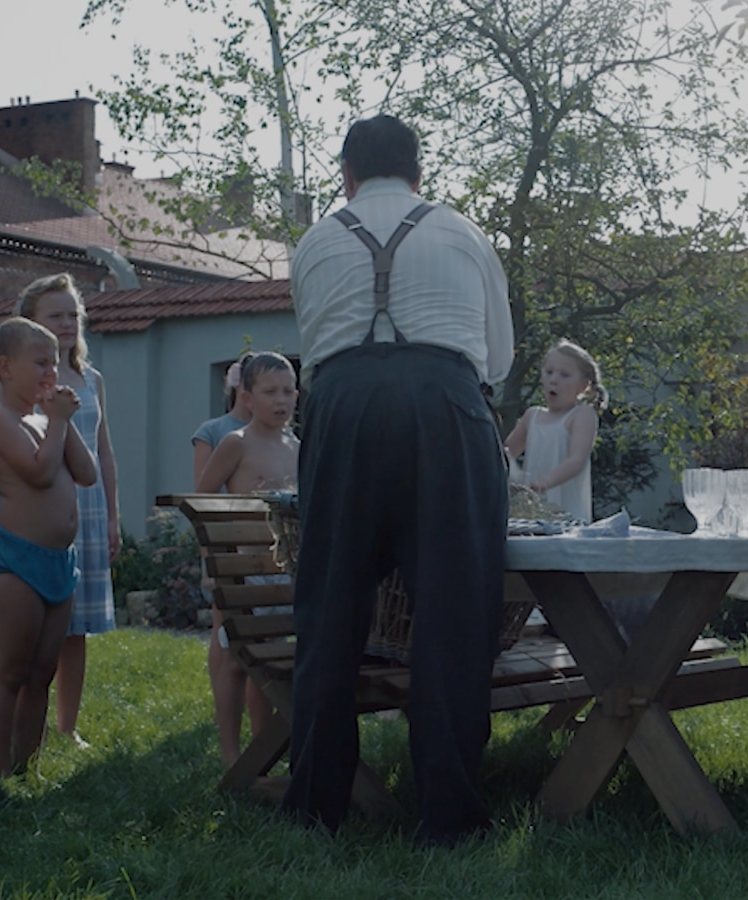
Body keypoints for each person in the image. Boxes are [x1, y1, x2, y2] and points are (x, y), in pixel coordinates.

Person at [283, 114, 513, 846]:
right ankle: (447, 816)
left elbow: (313, 344)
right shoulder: (464, 232)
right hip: (445, 406)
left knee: (329, 607)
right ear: (420, 174)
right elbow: (498, 360)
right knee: (453, 610)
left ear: (345, 175)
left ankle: (316, 806)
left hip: (342, 404)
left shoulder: (316, 240)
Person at [0, 316, 98, 777]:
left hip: (58, 562)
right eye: (41, 362)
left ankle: (26, 767)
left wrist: (60, 420)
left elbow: (84, 474)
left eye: (55, 362)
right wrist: (57, 423)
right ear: (6, 367)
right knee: (11, 671)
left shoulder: (45, 420)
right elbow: (39, 473)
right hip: (17, 561)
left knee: (42, 673)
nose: (52, 371)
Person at [17, 274, 119, 748]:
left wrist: (114, 517)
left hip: (91, 512)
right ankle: (24, 719)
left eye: (72, 314)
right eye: (54, 315)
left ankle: (67, 726)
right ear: (31, 322)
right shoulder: (28, 380)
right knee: (39, 624)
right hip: (45, 507)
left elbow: (103, 451)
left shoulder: (91, 378)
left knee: (77, 629)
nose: (66, 323)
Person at [194, 351, 299, 766]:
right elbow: (202, 504)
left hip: (285, 573)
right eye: (270, 391)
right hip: (242, 574)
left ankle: (264, 745)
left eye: (288, 390)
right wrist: (214, 564)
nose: (281, 399)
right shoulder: (235, 443)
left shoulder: (298, 447)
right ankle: (230, 752)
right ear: (247, 397)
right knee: (237, 662)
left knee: (271, 662)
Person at [502, 339, 605, 522]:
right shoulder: (531, 416)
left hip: (569, 520)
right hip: (531, 517)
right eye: (549, 372)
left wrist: (545, 482)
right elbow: (505, 453)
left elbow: (576, 460)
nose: (553, 380)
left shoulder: (581, 415)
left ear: (583, 386)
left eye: (565, 375)